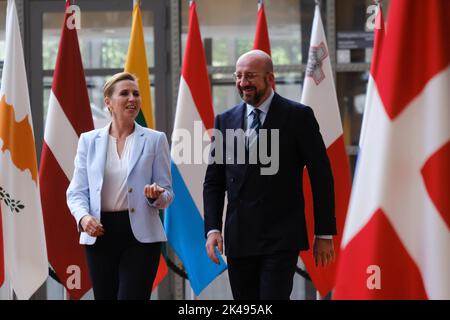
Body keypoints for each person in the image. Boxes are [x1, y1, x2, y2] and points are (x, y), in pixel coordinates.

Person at [203, 50, 336, 300]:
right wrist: (212, 229)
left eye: (250, 76)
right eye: (238, 76)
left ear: (270, 78)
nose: (243, 83)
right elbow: (214, 181)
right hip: (239, 237)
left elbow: (321, 176)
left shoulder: (298, 116)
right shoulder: (225, 120)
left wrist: (324, 232)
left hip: (281, 237)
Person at [67, 72, 173, 300]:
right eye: (124, 93)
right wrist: (84, 218)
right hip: (99, 233)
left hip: (141, 238)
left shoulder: (156, 139)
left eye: (136, 94)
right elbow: (76, 192)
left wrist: (156, 196)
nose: (132, 98)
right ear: (108, 102)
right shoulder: (88, 140)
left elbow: (167, 195)